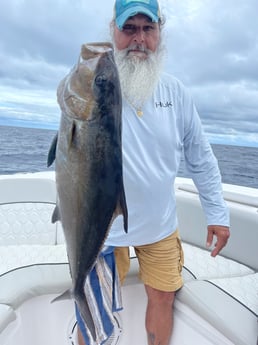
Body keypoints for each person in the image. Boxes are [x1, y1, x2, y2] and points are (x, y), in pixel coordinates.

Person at [78, 0, 230, 344]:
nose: (139, 39)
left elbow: (201, 156)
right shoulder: (91, 84)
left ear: (160, 32)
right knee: (93, 319)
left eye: (148, 29)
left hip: (159, 224)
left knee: (163, 297)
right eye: (129, 28)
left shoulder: (176, 92)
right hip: (101, 230)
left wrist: (217, 213)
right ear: (112, 31)